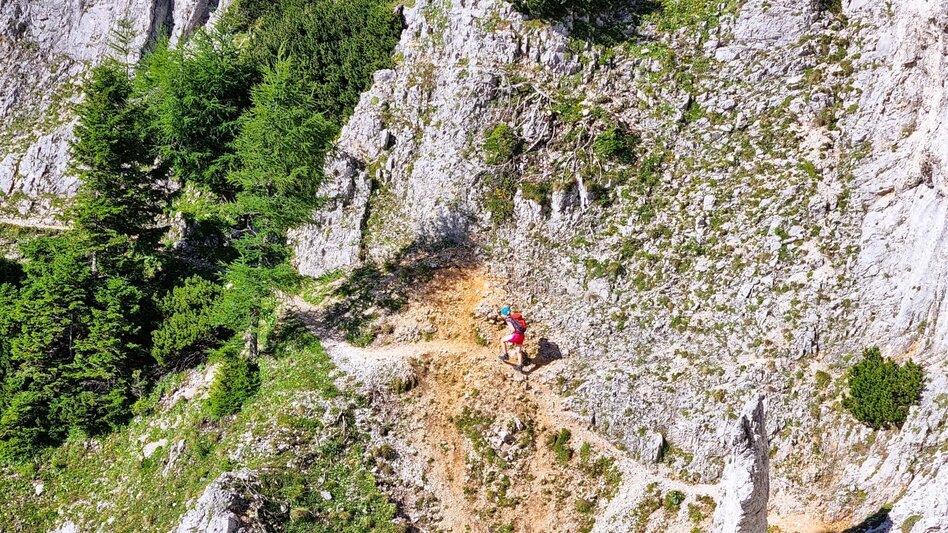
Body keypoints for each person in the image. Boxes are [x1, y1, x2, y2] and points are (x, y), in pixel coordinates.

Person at [498, 306, 528, 372]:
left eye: (502, 314)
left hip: (516, 335)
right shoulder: (513, 318)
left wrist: (511, 333)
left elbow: (513, 329)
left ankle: (505, 355)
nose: (501, 315)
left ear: (505, 314)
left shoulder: (508, 319)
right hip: (521, 336)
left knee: (502, 340)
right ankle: (520, 366)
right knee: (519, 351)